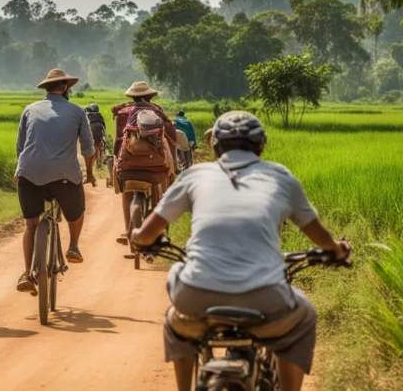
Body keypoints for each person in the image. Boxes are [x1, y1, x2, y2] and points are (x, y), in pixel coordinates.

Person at [130, 111, 350, 391]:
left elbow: (147, 233)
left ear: (215, 145)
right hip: (267, 297)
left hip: (196, 296)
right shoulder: (281, 176)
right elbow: (318, 234)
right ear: (261, 145)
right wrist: (336, 250)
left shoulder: (195, 176)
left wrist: (138, 237)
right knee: (305, 315)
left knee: (175, 318)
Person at [15, 68, 96, 293]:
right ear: (65, 88)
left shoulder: (29, 110)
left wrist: (23, 169)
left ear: (47, 88)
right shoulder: (78, 111)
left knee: (30, 225)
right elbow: (89, 149)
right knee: (76, 211)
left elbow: (20, 147)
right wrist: (89, 173)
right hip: (64, 176)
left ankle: (26, 273)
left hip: (29, 174)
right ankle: (74, 246)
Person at [111, 81, 177, 245]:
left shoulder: (123, 113)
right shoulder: (157, 112)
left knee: (127, 192)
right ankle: (156, 229)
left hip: (128, 166)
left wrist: (117, 161)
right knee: (160, 184)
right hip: (155, 167)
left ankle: (128, 231)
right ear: (150, 96)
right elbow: (173, 139)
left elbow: (118, 143)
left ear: (132, 97)